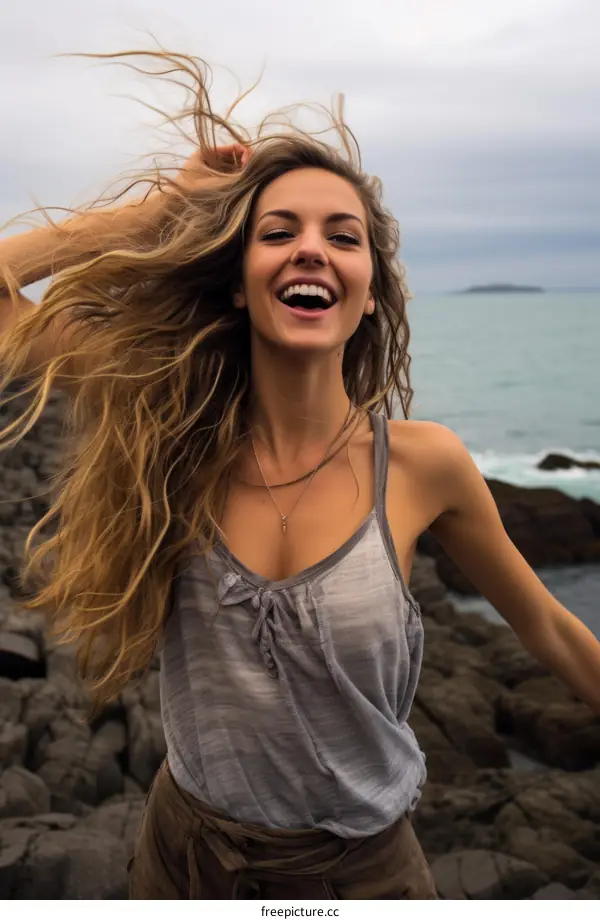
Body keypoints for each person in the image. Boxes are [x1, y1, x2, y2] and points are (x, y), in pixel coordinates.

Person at [0, 50, 599, 901]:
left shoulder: (422, 464)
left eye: (342, 237)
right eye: (278, 233)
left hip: (362, 876)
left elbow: (550, 628)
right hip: (181, 858)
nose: (311, 250)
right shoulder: (169, 421)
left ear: (371, 293)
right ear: (239, 285)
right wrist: (159, 212)